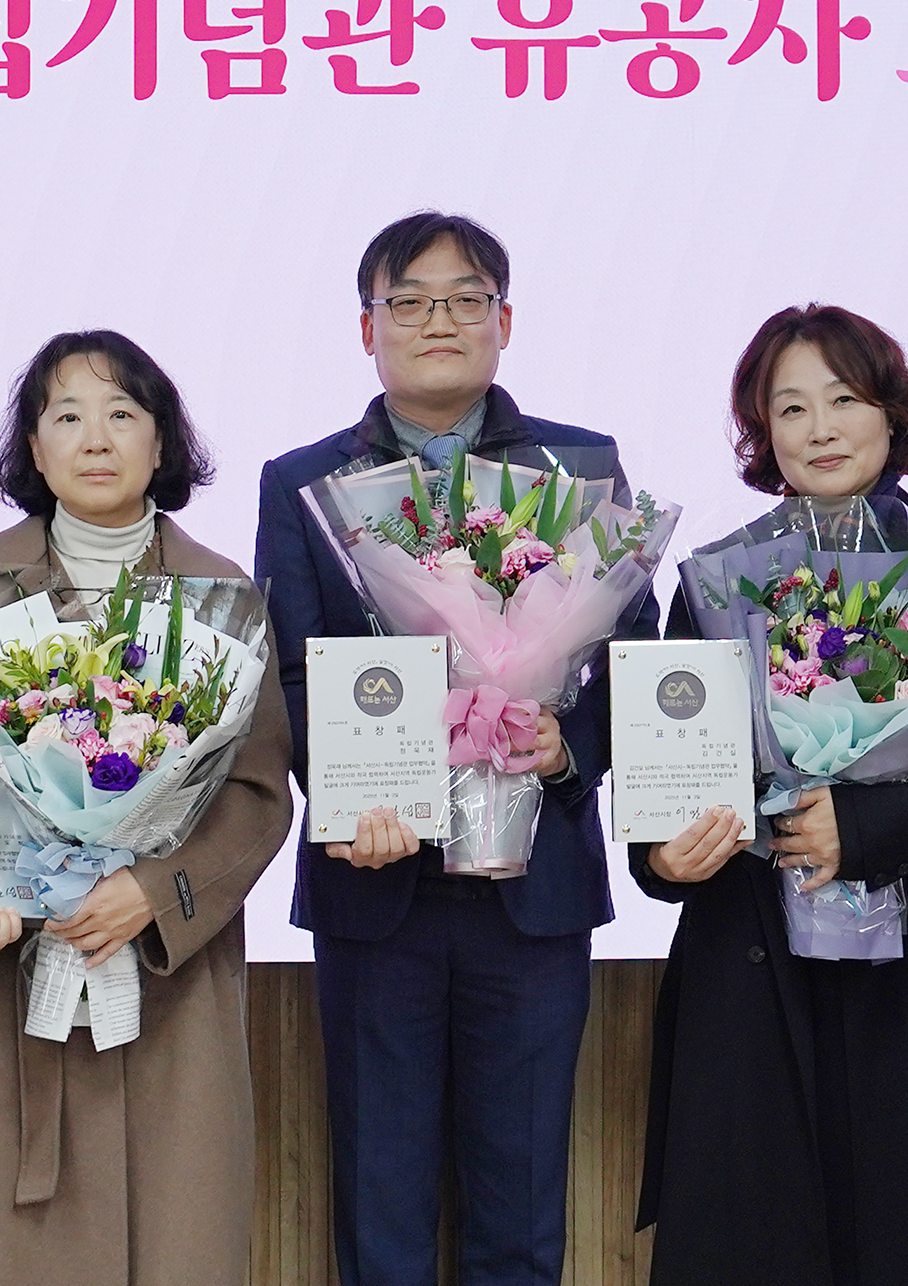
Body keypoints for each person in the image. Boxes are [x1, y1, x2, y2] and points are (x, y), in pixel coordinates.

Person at [254, 212, 659, 1285]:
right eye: (410, 300)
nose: (439, 319)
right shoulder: (301, 480)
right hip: (375, 884)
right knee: (379, 1207)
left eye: (465, 297)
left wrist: (565, 750)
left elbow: (635, 649)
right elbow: (289, 669)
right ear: (367, 327)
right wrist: (350, 796)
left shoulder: (578, 466)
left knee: (518, 1211)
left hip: (533, 889)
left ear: (503, 320)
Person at [629, 303, 908, 1286]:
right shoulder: (715, 581)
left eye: (843, 399)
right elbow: (668, 759)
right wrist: (661, 855)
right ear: (762, 432)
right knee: (757, 1235)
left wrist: (857, 825)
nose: (818, 428)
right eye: (789, 408)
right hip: (754, 953)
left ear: (893, 414)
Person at [0, 329, 294, 1286]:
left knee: (177, 1237)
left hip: (167, 978)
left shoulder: (223, 596)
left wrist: (156, 889)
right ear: (34, 446)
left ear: (162, 440)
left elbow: (257, 789)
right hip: (9, 976)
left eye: (121, 413)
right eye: (66, 415)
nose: (95, 437)